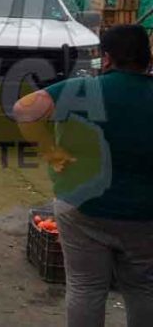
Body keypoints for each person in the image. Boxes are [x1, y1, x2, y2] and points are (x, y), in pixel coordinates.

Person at [13, 24, 153, 327]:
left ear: (106, 58)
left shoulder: (80, 90)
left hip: (82, 207)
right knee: (143, 288)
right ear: (147, 58)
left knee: (86, 286)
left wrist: (49, 149)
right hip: (145, 215)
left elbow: (23, 110)